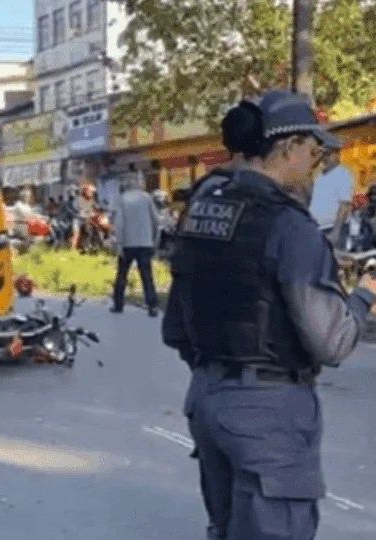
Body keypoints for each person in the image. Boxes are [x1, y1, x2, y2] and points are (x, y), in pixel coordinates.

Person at [168, 89, 376, 540]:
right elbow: (332, 341)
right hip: (267, 411)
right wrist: (364, 297)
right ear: (289, 148)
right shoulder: (290, 225)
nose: (315, 164)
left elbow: (178, 322)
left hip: (207, 396)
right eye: (314, 151)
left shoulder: (204, 207)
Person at [161, 103, 256, 540]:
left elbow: (181, 282)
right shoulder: (268, 203)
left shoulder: (202, 196)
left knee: (221, 505)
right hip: (255, 377)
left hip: (204, 369)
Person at [110, 174, 161, 316]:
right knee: (147, 275)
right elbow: (156, 219)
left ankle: (118, 304)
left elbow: (119, 223)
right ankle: (153, 305)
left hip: (128, 243)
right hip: (145, 243)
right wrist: (155, 239)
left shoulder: (121, 199)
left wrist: (119, 242)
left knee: (122, 274)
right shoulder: (146, 197)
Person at [308, 150, 354, 243]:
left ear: (336, 155)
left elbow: (344, 204)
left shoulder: (342, 174)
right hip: (318, 228)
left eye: (328, 154)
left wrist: (336, 231)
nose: (325, 158)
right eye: (323, 154)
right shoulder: (320, 176)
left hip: (333, 228)